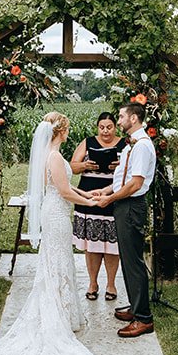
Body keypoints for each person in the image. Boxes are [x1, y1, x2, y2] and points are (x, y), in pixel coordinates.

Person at [0, 112, 107, 355]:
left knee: (58, 261)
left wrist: (87, 195)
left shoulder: (50, 154)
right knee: (57, 262)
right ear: (61, 131)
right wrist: (90, 204)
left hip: (56, 209)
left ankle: (64, 312)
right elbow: (63, 191)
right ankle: (57, 315)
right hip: (57, 214)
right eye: (67, 129)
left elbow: (66, 188)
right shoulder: (55, 157)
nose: (69, 133)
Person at [95, 101, 158, 338]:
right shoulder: (133, 144)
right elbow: (124, 179)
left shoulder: (141, 146)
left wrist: (110, 200)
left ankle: (143, 318)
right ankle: (135, 305)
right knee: (128, 258)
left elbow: (135, 184)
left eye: (121, 117)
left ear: (133, 119)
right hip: (124, 203)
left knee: (133, 261)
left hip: (131, 206)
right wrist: (106, 191)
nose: (118, 120)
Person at [69, 110, 123, 301]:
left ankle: (111, 283)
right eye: (102, 127)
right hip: (88, 197)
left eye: (109, 127)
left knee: (112, 245)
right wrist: (86, 166)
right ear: (97, 127)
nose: (105, 131)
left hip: (113, 197)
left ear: (115, 127)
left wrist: (120, 166)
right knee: (92, 245)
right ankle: (93, 282)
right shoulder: (88, 142)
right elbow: (72, 167)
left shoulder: (124, 144)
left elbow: (131, 172)